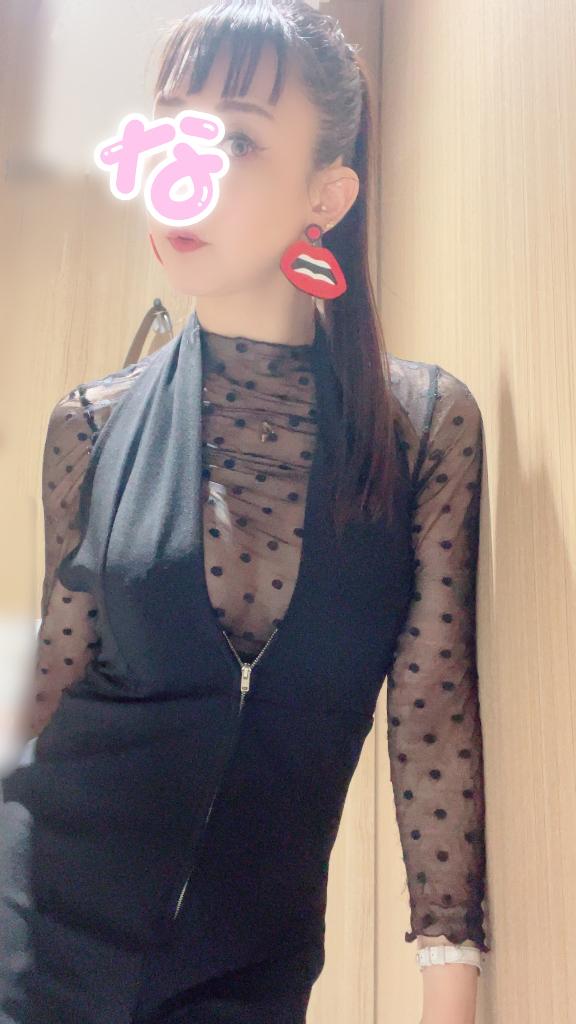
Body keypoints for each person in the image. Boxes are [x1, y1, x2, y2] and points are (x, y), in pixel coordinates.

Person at [0, 2, 490, 1022]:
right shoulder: (92, 423)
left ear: (328, 194)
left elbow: (432, 711)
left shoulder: (420, 427)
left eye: (233, 139)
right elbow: (53, 685)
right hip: (34, 943)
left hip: (249, 973)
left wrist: (449, 990)